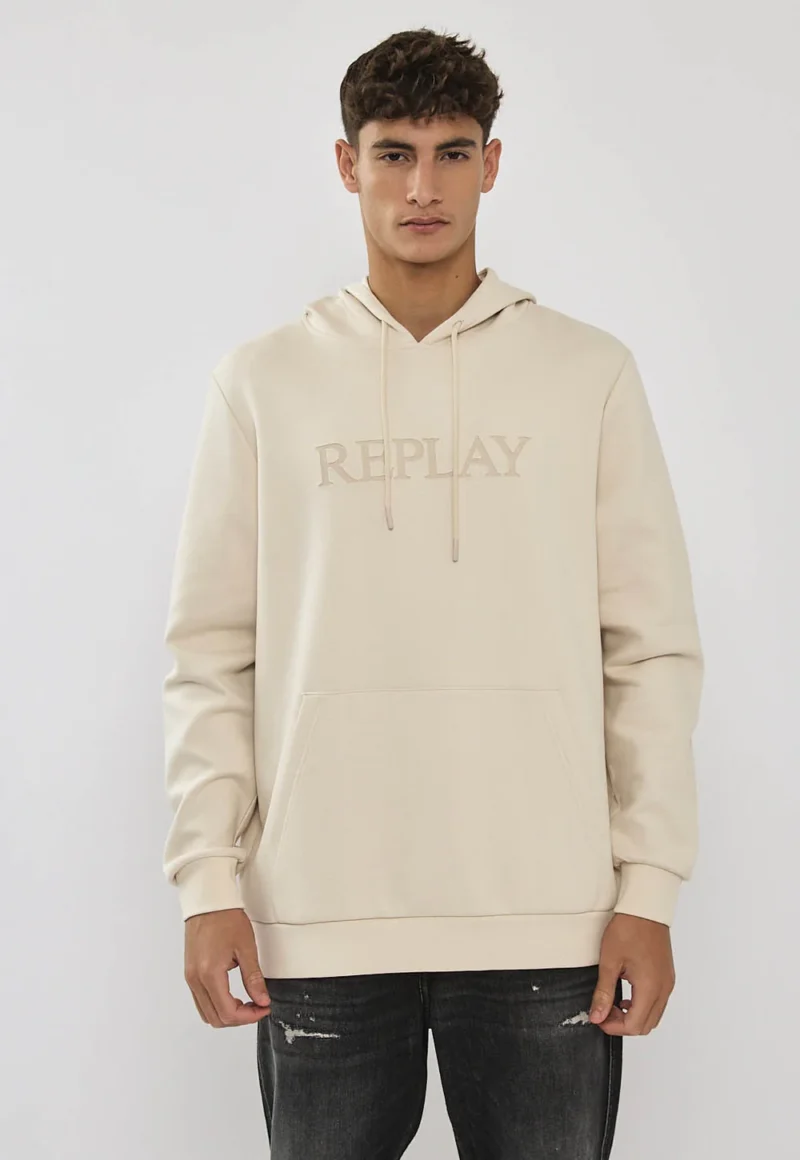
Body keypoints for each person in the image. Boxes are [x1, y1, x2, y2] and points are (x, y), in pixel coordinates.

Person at [161, 26, 704, 1159]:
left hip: (545, 918)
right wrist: (207, 878)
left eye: (452, 153)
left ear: (490, 165)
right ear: (346, 164)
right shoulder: (261, 382)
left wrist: (646, 888)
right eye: (393, 153)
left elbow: (648, 646)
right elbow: (212, 649)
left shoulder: (586, 373)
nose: (422, 187)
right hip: (317, 917)